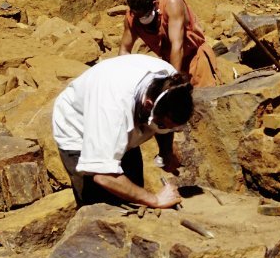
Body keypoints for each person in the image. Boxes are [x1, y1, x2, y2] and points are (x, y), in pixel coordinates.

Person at [52, 54, 193, 208]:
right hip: (79, 130)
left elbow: (166, 121)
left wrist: (166, 152)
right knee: (100, 208)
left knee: (133, 195)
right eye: (161, 126)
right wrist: (155, 200)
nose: (165, 130)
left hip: (123, 121)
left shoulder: (172, 84)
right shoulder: (112, 107)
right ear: (148, 104)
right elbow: (103, 175)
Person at [120, 0, 220, 87]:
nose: (140, 18)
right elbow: (124, 50)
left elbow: (177, 45)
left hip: (194, 61)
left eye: (144, 15)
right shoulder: (132, 15)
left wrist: (172, 82)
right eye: (136, 15)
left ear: (154, 4)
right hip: (169, 63)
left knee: (201, 100)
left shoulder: (172, 3)